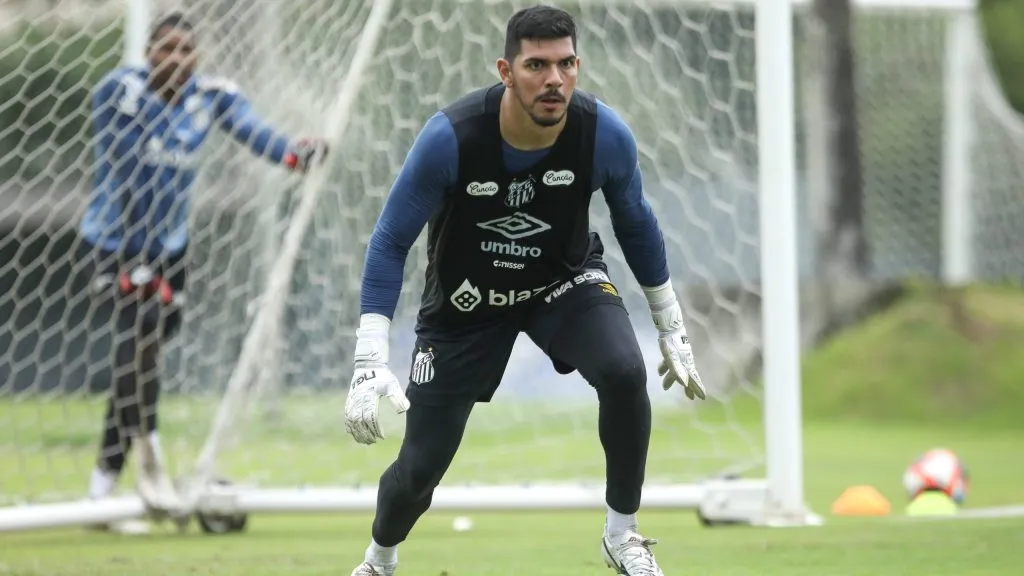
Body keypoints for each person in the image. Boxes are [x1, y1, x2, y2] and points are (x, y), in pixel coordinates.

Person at [343, 4, 705, 575]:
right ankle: (379, 560)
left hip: (561, 281)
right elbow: (390, 241)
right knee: (420, 468)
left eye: (565, 64)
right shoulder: (451, 137)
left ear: (578, 67)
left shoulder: (603, 133)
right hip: (467, 304)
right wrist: (369, 356)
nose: (553, 79)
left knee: (624, 371)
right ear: (506, 72)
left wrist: (670, 323)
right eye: (536, 64)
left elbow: (636, 222)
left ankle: (623, 536)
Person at [78, 11, 327, 534]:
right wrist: (134, 263)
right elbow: (125, 173)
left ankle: (104, 495)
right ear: (147, 54)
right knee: (137, 345)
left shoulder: (211, 95)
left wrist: (292, 155)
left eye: (186, 50)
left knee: (140, 363)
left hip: (170, 250)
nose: (177, 59)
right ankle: (143, 464)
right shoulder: (119, 93)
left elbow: (251, 130)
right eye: (166, 49)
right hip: (115, 244)